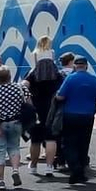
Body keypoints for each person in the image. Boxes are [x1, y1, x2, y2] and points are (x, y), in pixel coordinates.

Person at [56, 55, 96, 187]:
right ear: (86, 66)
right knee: (83, 144)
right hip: (88, 116)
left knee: (68, 144)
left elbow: (60, 96)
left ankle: (76, 169)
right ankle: (80, 171)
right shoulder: (94, 80)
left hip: (70, 115)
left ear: (75, 66)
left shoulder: (70, 79)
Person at [0, 61, 29, 189]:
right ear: (10, 76)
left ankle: (1, 181)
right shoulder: (20, 88)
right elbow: (29, 104)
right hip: (16, 122)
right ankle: (15, 170)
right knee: (14, 147)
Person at [25, 42, 62, 175]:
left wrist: (28, 100)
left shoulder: (33, 75)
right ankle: (49, 167)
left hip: (36, 112)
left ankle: (33, 166)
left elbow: (23, 86)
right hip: (52, 111)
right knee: (51, 139)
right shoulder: (58, 76)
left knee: (35, 141)